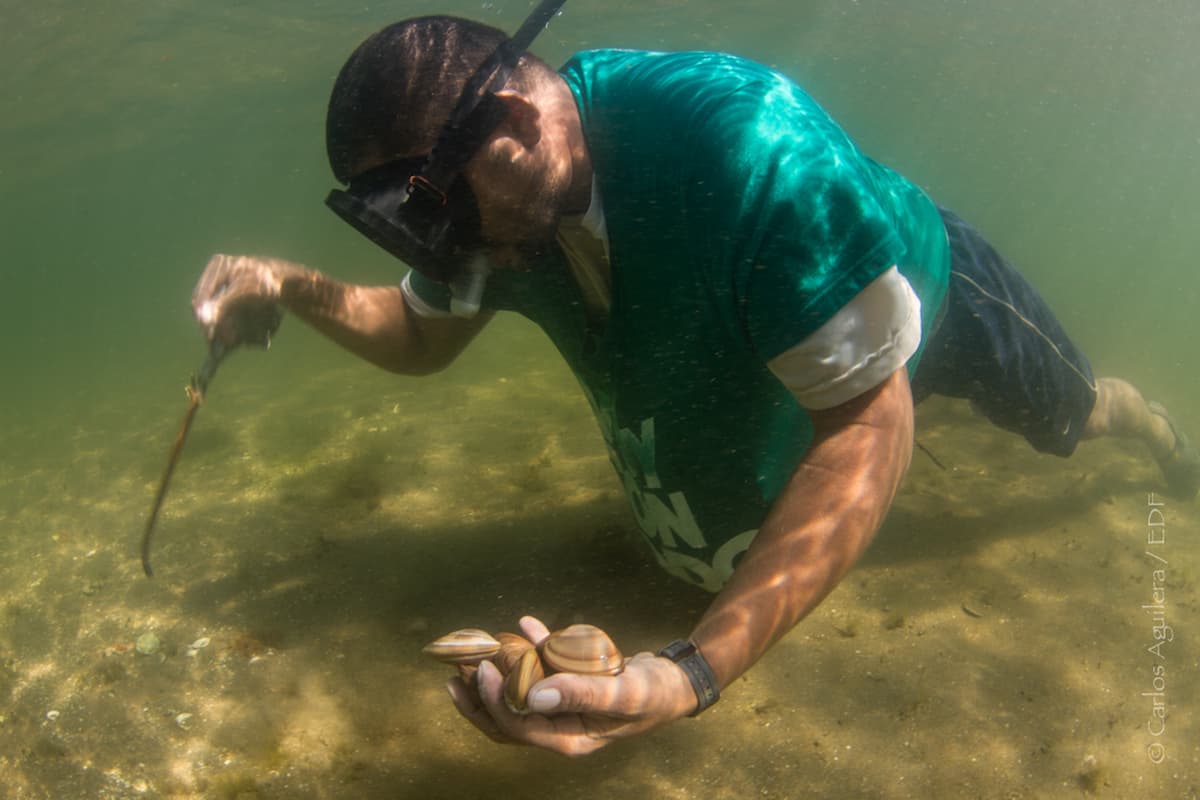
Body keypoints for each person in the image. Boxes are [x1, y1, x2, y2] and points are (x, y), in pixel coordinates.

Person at [190, 14, 1200, 756]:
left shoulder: (751, 150)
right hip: (771, 316)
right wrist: (291, 285)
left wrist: (694, 669)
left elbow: (865, 420)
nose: (446, 250)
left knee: (1069, 416)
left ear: (510, 121)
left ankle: (1141, 423)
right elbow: (419, 330)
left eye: (440, 216)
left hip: (922, 288)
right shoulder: (499, 197)